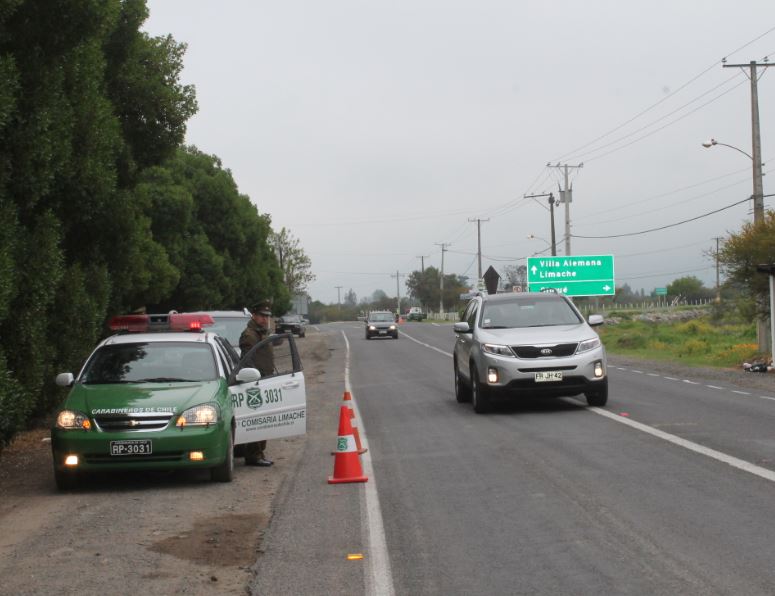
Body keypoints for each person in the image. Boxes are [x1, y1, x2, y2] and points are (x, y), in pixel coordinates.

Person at [239, 300, 275, 467]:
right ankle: (254, 455)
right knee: (258, 419)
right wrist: (256, 378)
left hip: (266, 380)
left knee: (264, 419)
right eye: (261, 316)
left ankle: (259, 452)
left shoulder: (261, 332)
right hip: (256, 382)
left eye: (267, 316)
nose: (265, 319)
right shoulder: (250, 335)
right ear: (254, 315)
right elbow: (247, 360)